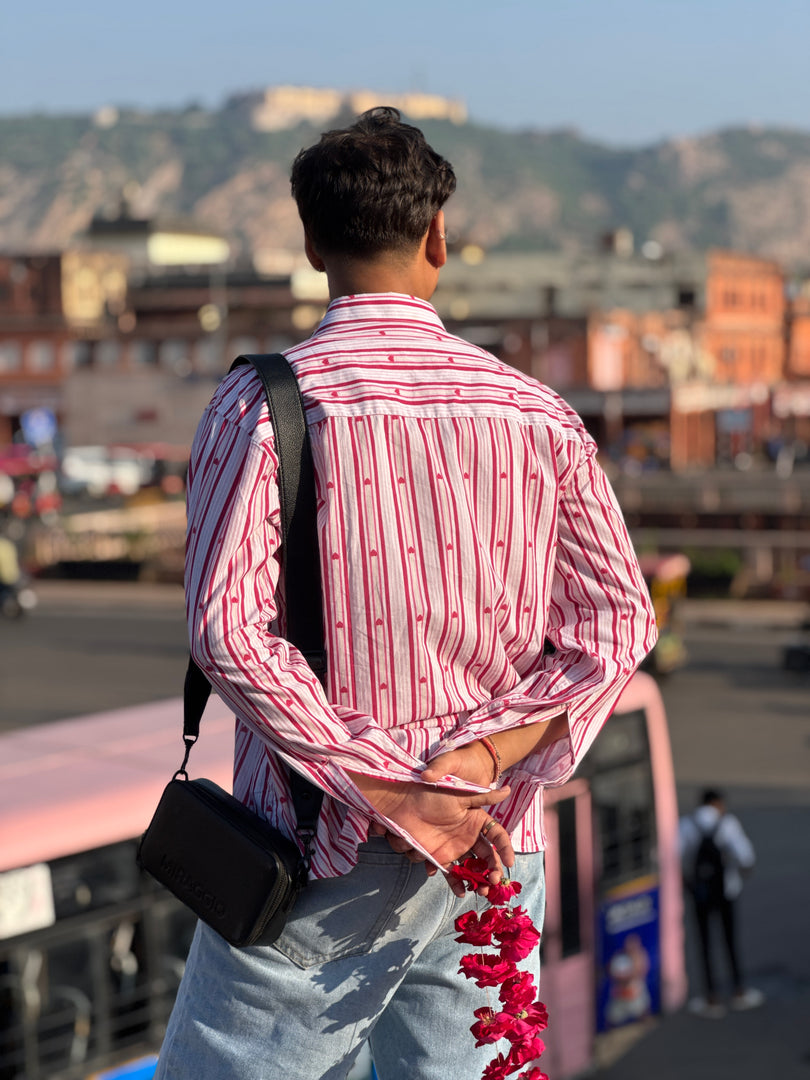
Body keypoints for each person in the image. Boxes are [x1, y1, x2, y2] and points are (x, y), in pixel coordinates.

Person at [155, 107, 657, 1080]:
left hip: (318, 855)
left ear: (311, 244)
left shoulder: (264, 403)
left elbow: (229, 633)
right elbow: (617, 621)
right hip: (492, 849)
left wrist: (393, 788)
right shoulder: (535, 413)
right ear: (438, 236)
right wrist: (478, 761)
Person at [679, 788, 764, 1019]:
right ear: (716, 803)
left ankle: (711, 997)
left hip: (701, 894)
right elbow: (746, 857)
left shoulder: (687, 824)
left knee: (704, 944)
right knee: (729, 941)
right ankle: (738, 991)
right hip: (726, 892)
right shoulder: (727, 823)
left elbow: (674, 856)